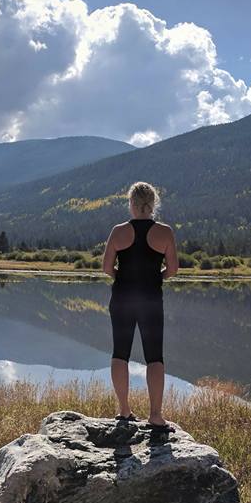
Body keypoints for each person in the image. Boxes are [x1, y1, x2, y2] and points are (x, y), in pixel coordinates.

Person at [101, 181, 179, 433]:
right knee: (154, 357)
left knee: (120, 353)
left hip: (122, 299)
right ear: (153, 203)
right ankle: (155, 415)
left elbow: (106, 268)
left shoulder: (118, 231)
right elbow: (174, 270)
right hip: (151, 300)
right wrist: (156, 277)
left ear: (131, 204)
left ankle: (124, 410)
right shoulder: (165, 232)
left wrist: (123, 278)